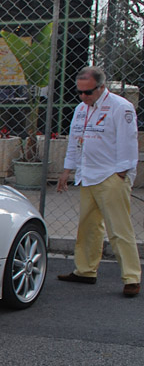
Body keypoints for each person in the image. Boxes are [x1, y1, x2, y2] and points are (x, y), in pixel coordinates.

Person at [56, 66, 141, 297]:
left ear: (102, 87)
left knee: (119, 229)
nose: (84, 97)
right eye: (80, 92)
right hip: (88, 174)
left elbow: (128, 142)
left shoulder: (121, 107)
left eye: (89, 92)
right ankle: (85, 270)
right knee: (88, 226)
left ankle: (131, 276)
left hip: (111, 175)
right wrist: (67, 170)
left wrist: (123, 172)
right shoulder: (80, 109)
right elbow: (74, 141)